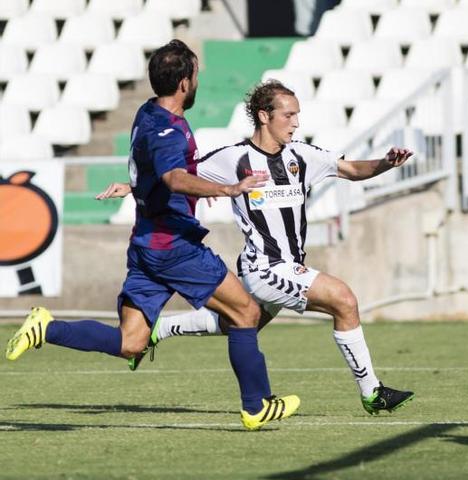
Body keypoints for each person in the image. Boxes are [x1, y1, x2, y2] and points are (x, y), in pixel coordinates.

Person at [6, 40, 300, 431]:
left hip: (145, 243)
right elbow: (173, 177)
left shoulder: (146, 112)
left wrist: (135, 187)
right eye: (195, 74)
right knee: (245, 312)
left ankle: (47, 327)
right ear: (183, 83)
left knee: (131, 342)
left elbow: (151, 170)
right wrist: (227, 189)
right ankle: (257, 405)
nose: (198, 80)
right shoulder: (169, 130)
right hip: (173, 247)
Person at [96, 80, 416, 415]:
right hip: (265, 267)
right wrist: (132, 189)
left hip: (287, 265)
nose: (296, 122)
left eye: (298, 115)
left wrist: (385, 163)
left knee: (237, 324)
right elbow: (178, 178)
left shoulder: (302, 155)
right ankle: (372, 392)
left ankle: (161, 329)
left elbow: (351, 169)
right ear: (264, 116)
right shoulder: (233, 158)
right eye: (288, 115)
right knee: (344, 300)